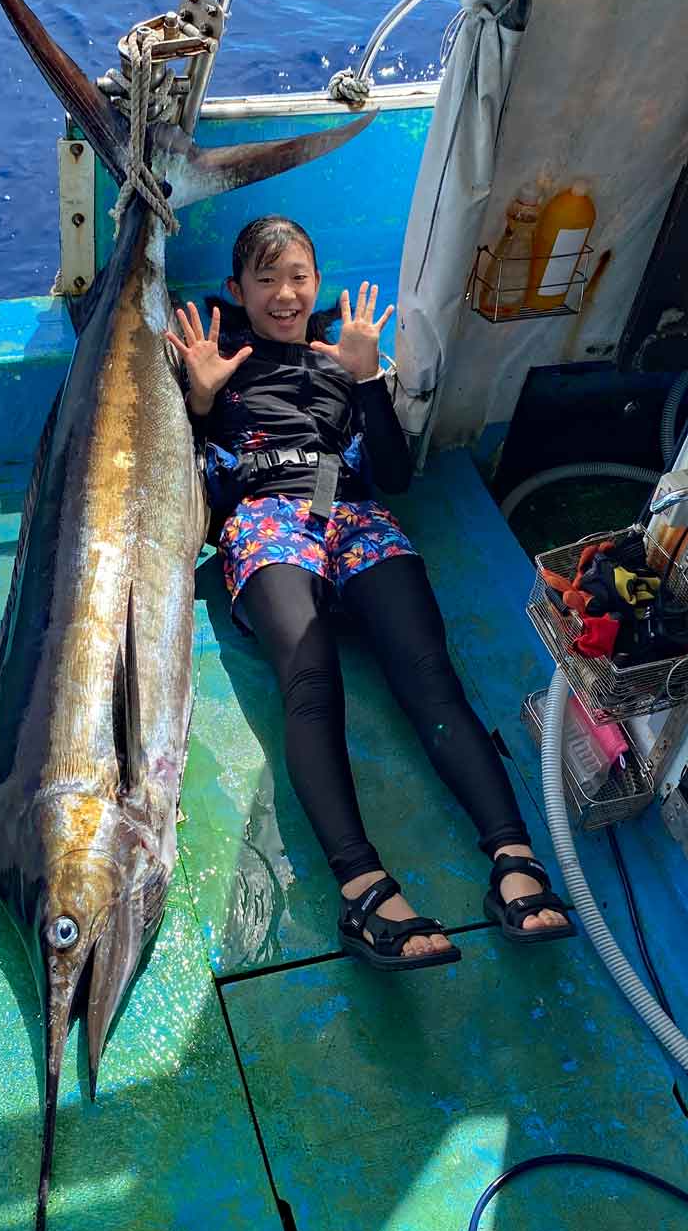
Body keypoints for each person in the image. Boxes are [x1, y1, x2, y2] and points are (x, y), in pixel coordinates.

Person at [165, 215, 575, 972]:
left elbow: (390, 474)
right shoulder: (216, 354)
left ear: (315, 283)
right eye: (266, 279)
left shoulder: (341, 353)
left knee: (430, 676)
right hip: (267, 518)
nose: (285, 294)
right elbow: (190, 492)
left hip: (351, 511)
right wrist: (197, 401)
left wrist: (368, 379)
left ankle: (514, 860)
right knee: (311, 681)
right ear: (237, 290)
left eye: (298, 277)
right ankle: (362, 889)